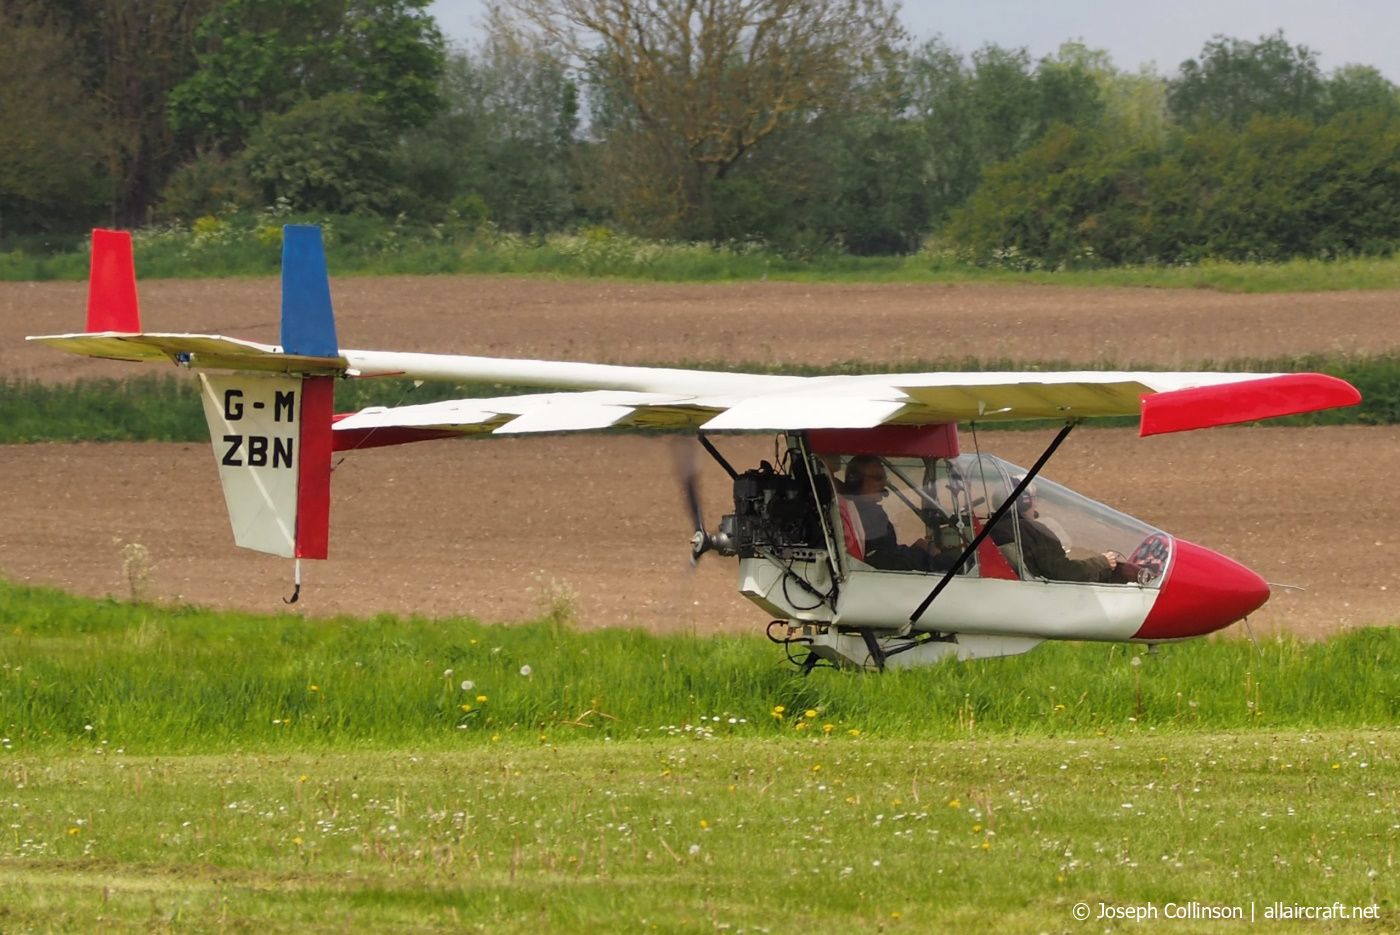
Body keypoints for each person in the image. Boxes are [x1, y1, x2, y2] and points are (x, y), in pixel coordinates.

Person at [842, 455, 954, 572]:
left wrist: (915, 549)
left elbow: (886, 552)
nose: (884, 483)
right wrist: (932, 557)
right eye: (878, 478)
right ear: (856, 481)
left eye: (884, 477)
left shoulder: (864, 510)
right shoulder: (867, 515)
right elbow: (881, 559)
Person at [998, 488, 1121, 583]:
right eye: (1033, 498)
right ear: (1023, 502)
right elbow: (1062, 573)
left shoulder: (993, 530)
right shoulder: (1031, 530)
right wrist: (1102, 562)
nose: (1035, 504)